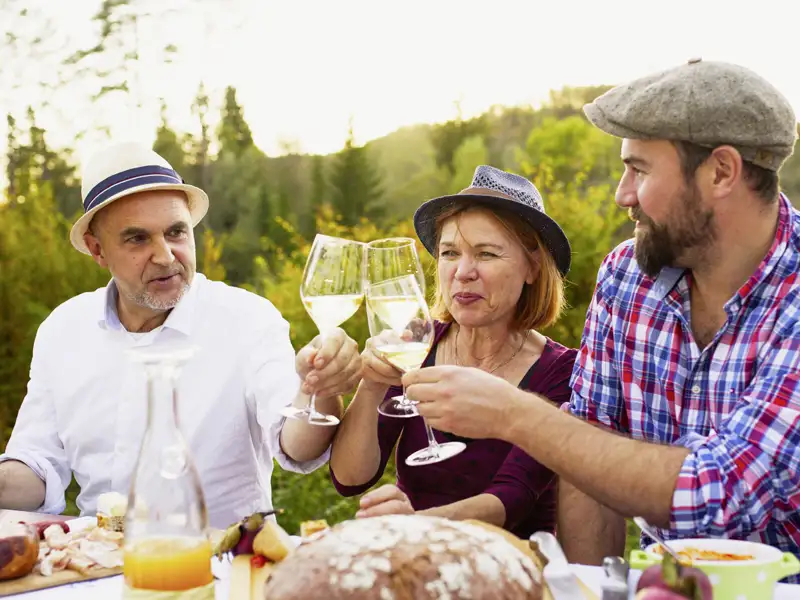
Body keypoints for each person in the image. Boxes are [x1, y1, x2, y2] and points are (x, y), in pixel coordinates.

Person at [401, 58, 800, 577]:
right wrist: (592, 587)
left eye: (639, 169)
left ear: (721, 172)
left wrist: (515, 414)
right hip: (665, 585)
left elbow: (717, 491)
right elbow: (588, 446)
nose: (622, 194)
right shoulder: (625, 276)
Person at [0, 142, 362, 529]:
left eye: (176, 232)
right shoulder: (63, 329)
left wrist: (320, 388)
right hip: (97, 566)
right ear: (97, 250)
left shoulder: (246, 319)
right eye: (137, 239)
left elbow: (298, 447)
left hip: (220, 568)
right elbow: (37, 462)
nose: (166, 256)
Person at [329, 165, 577, 539]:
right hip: (420, 567)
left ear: (533, 267)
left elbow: (511, 499)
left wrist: (414, 525)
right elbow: (350, 478)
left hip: (512, 570)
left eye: (487, 254)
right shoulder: (418, 340)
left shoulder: (562, 372)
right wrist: (371, 384)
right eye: (449, 253)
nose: (463, 272)